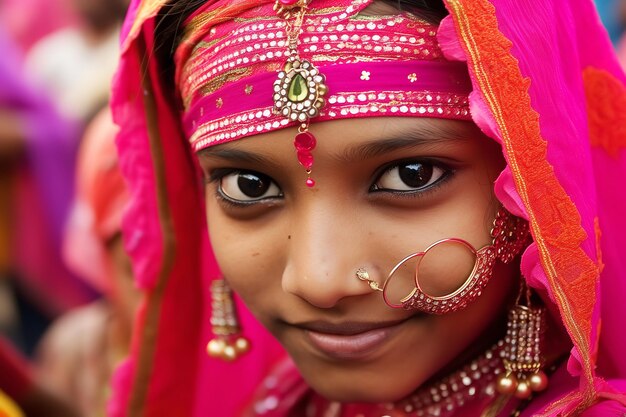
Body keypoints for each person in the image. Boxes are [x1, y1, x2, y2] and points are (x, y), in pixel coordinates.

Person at [110, 0, 626, 416]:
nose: (318, 281)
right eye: (248, 186)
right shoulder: (290, 401)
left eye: (411, 176)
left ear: (537, 182)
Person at [36, 108, 140, 417]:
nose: (158, 297)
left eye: (181, 270)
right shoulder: (73, 348)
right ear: (102, 255)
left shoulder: (232, 355)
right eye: (133, 271)